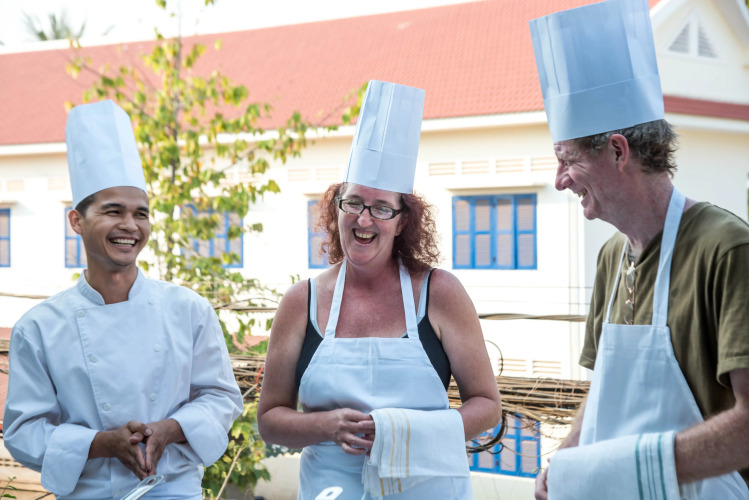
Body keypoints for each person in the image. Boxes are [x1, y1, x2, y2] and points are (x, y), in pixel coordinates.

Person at [529, 0, 749, 499]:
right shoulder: (611, 257)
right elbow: (606, 393)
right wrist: (566, 459)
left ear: (617, 151)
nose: (560, 180)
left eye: (567, 160)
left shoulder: (726, 249)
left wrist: (629, 470)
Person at [257, 80, 501, 499]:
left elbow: (487, 405)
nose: (364, 219)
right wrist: (327, 426)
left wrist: (403, 434)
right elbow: (270, 420)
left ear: (403, 220)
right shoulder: (301, 302)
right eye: (353, 203)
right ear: (336, 207)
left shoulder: (439, 293)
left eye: (381, 208)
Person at [3, 100, 244, 499]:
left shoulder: (188, 310)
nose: (130, 226)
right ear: (77, 221)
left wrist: (169, 430)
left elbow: (220, 398)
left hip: (172, 490)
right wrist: (101, 443)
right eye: (113, 211)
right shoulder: (39, 327)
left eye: (141, 214)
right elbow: (23, 431)